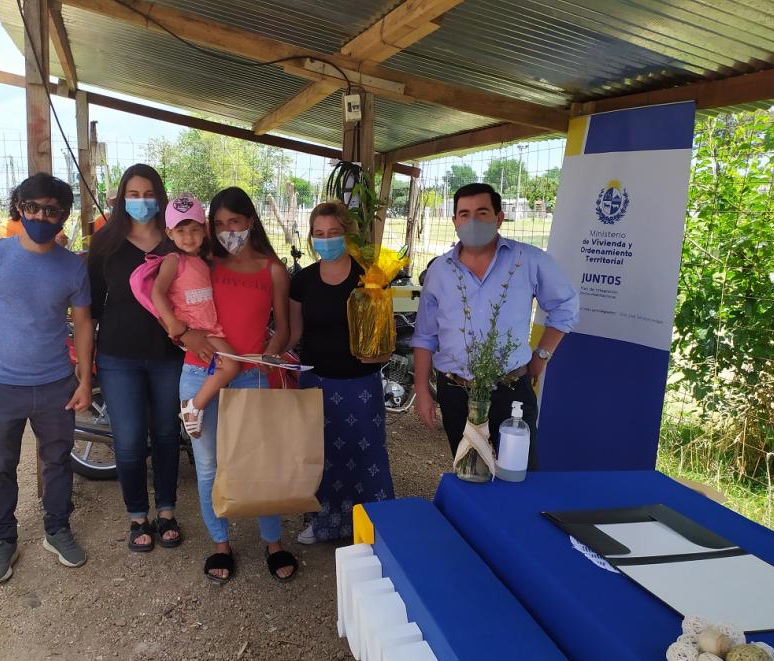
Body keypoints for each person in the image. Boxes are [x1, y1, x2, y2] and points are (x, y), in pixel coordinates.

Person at [0, 173, 93, 583]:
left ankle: (57, 530)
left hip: (56, 383)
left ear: (64, 216)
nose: (41, 216)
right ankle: (3, 540)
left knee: (57, 461)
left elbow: (85, 323)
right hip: (1, 384)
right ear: (19, 207)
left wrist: (86, 380)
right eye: (33, 207)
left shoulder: (73, 267)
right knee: (1, 465)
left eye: (52, 210)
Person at [412, 183, 579, 467]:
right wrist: (422, 391)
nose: (472, 221)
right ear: (454, 221)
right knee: (468, 472)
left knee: (520, 475)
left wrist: (541, 355)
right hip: (455, 392)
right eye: (464, 214)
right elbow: (425, 335)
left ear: (499, 218)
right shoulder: (440, 270)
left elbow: (566, 306)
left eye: (482, 212)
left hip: (510, 391)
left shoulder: (528, 261)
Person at [178, 186, 297, 584]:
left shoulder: (272, 269)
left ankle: (273, 541)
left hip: (253, 374)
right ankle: (220, 544)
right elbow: (180, 306)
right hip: (200, 372)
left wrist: (272, 355)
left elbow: (282, 326)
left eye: (235, 222)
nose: (228, 230)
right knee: (209, 465)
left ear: (250, 221)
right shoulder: (203, 263)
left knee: (258, 462)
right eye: (219, 223)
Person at [87, 164, 184, 553]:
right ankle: (136, 516)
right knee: (127, 441)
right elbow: (91, 306)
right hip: (118, 356)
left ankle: (166, 510)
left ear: (160, 197)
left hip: (168, 355)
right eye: (133, 193)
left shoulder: (176, 241)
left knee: (165, 434)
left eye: (148, 194)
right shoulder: (105, 243)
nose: (141, 202)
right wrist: (85, 363)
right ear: (120, 198)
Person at [289, 201, 394, 544]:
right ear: (311, 238)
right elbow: (293, 333)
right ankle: (322, 522)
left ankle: (372, 523)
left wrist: (381, 352)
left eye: (333, 233)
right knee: (321, 456)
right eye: (319, 234)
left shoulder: (370, 276)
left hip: (360, 382)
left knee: (367, 454)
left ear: (347, 234)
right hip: (315, 381)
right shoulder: (302, 280)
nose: (326, 239)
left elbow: (385, 333)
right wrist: (269, 350)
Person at [151, 193, 239, 437]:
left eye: (194, 230)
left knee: (231, 365)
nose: (188, 237)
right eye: (181, 231)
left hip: (210, 328)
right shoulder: (173, 260)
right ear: (169, 233)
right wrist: (173, 324)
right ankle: (193, 407)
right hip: (196, 330)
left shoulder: (202, 261)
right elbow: (156, 293)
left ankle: (194, 408)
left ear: (204, 230)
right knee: (231, 365)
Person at [0, 186, 68, 248]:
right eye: (31, 206)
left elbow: (61, 240)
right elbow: (8, 249)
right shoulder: (7, 226)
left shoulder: (50, 222)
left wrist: (62, 241)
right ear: (17, 206)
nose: (40, 216)